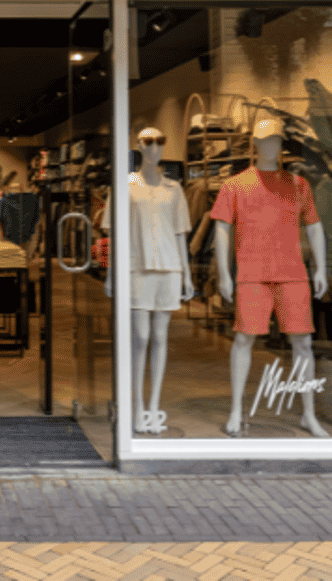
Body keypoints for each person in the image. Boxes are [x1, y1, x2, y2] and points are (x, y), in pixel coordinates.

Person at [211, 118, 329, 438]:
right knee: (243, 339)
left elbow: (314, 226)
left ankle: (308, 414)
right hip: (252, 273)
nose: (270, 146)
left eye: (275, 140)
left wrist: (321, 267)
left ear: (281, 145)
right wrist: (224, 274)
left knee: (303, 343)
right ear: (255, 144)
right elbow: (221, 229)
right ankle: (236, 410)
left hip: (293, 274)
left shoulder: (298, 185)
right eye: (264, 140)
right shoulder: (235, 185)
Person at [107, 127, 194, 434]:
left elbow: (180, 233)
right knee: (141, 336)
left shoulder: (174, 188)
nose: (155, 147)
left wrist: (187, 274)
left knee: (160, 337)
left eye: (160, 141)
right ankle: (137, 405)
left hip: (169, 268)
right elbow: (114, 232)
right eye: (148, 141)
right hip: (136, 268)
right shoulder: (124, 185)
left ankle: (154, 406)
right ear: (138, 146)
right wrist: (111, 273)